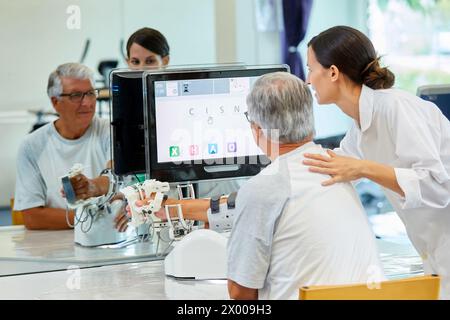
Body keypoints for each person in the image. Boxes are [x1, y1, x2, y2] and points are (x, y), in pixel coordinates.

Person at [303, 25, 450, 298]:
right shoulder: (360, 130)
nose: (308, 80)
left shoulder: (396, 108)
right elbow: (326, 171)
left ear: (333, 72)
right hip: (436, 258)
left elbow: (436, 186)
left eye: (311, 69)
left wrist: (363, 168)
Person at [14, 63, 128, 232]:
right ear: (55, 102)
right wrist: (91, 219)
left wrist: (92, 187)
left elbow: (113, 173)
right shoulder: (31, 146)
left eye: (90, 93)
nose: (88, 103)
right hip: (55, 243)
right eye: (76, 95)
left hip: (112, 237)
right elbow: (32, 216)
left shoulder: (111, 131)